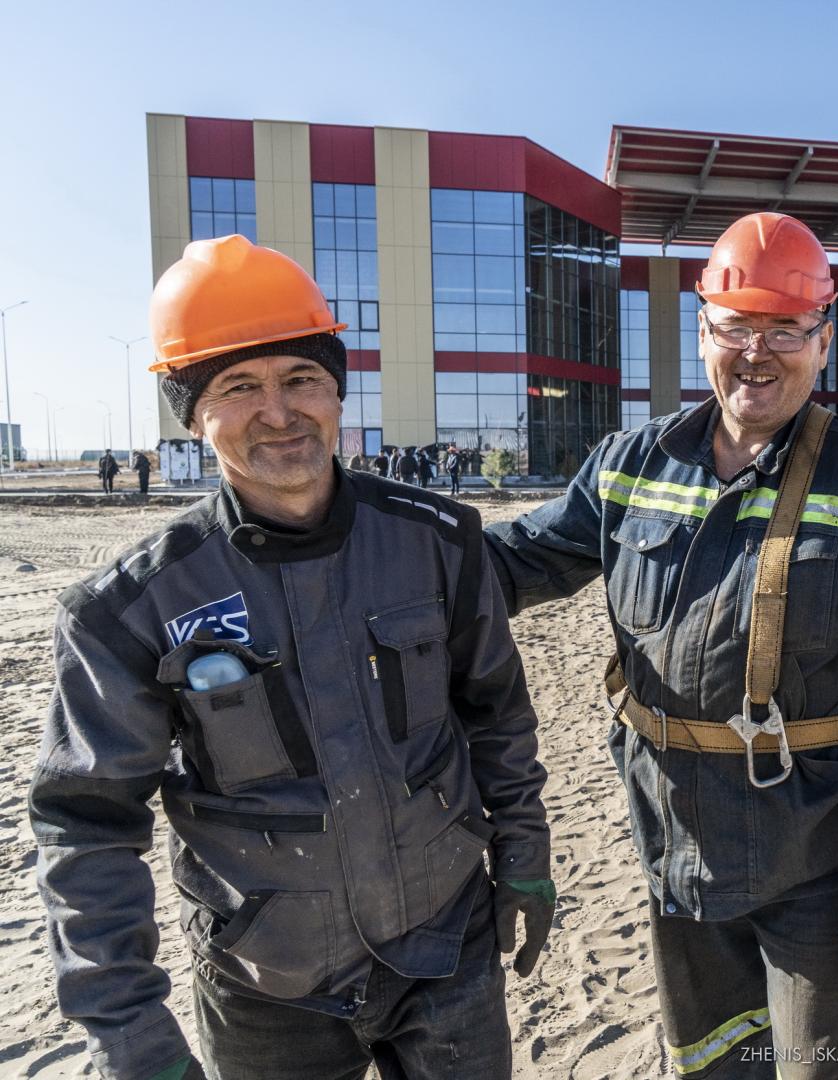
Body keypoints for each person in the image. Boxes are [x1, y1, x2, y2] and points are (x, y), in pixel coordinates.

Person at [30, 235, 556, 1080]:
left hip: (447, 948)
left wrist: (524, 855)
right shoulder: (128, 610)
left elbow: (496, 714)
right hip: (266, 991)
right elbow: (85, 827)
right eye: (238, 387)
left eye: (302, 377)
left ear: (337, 392)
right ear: (194, 417)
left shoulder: (436, 542)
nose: (278, 411)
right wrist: (132, 1041)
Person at [485, 212, 838, 1078]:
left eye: (785, 329)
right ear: (703, 331)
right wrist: (385, 551)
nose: (758, 352)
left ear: (824, 341)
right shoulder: (631, 464)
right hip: (675, 846)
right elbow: (514, 561)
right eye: (738, 326)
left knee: (823, 1066)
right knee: (712, 1061)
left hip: (819, 860)